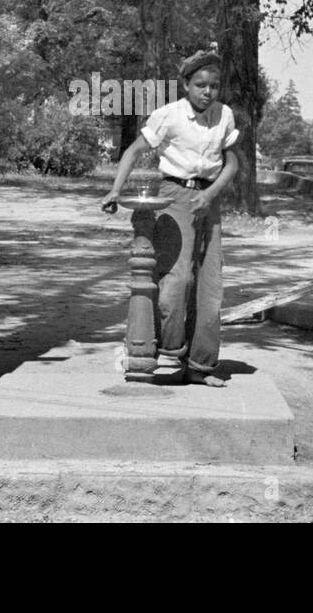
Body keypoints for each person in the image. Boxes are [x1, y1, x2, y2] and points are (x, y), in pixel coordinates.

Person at [103, 49, 240, 387]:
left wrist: (209, 195)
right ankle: (161, 348)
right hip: (174, 196)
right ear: (186, 85)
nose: (207, 92)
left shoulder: (225, 116)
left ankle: (199, 367)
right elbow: (135, 151)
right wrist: (114, 191)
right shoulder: (169, 115)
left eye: (214, 86)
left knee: (209, 288)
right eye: (200, 85)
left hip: (208, 199)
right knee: (176, 283)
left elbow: (233, 163)